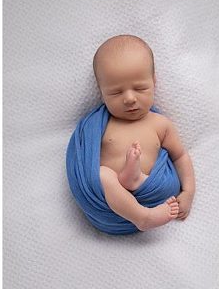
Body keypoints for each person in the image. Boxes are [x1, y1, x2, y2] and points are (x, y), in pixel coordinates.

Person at [68, 35, 196, 232]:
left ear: (154, 82)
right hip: (110, 201)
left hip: (151, 191)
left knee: (155, 181)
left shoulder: (161, 124)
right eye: (116, 92)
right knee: (102, 174)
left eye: (139, 88)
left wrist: (188, 192)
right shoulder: (97, 126)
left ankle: (135, 179)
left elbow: (180, 156)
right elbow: (82, 161)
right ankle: (142, 217)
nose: (129, 98)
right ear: (101, 92)